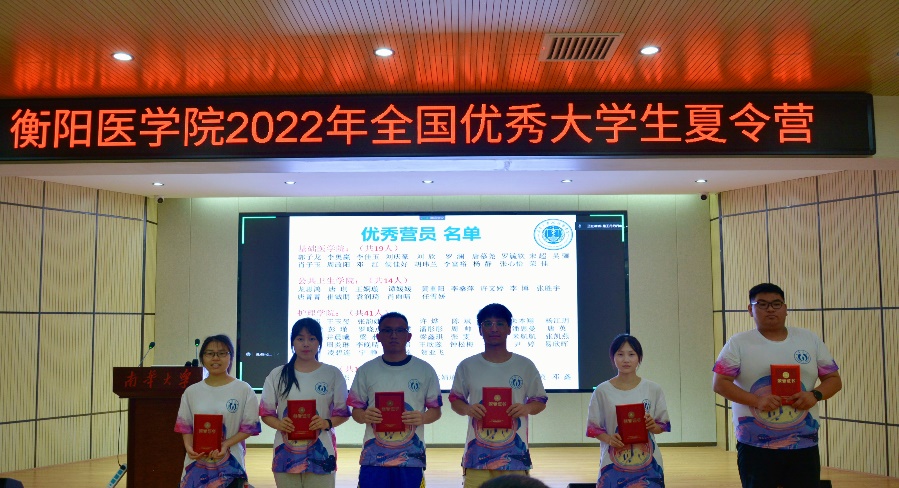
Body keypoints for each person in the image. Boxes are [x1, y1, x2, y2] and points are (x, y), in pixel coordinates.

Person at [713, 283, 842, 488]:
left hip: (803, 441)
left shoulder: (809, 340)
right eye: (762, 304)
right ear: (750, 309)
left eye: (776, 304)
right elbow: (720, 384)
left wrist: (815, 395)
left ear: (785, 308)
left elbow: (834, 380)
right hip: (755, 443)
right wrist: (757, 401)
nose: (770, 309)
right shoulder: (738, 343)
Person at [449, 303, 548, 488]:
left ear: (509, 328)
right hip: (476, 457)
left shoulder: (525, 365)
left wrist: (526, 408)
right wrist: (468, 409)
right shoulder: (467, 365)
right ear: (480, 330)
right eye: (487, 323)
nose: (494, 328)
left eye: (500, 323)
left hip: (515, 457)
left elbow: (540, 401)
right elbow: (455, 400)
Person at [347, 311, 443, 488]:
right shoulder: (366, 370)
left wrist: (423, 417)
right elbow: (356, 412)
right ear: (378, 336)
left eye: (399, 330)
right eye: (387, 330)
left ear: (409, 336)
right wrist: (364, 416)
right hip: (373, 458)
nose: (393, 335)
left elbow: (436, 411)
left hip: (411, 458)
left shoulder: (424, 370)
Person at [259, 318, 351, 487]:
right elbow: (266, 413)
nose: (306, 344)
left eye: (312, 338)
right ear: (293, 342)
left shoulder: (332, 373)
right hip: (286, 453)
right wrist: (279, 424)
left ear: (319, 342)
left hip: (322, 452)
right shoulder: (277, 374)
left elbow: (343, 413)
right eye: (300, 339)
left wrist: (326, 423)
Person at [175, 334, 262, 488]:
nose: (215, 358)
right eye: (210, 353)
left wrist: (226, 444)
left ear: (230, 357)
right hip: (197, 463)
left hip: (231, 464)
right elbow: (185, 426)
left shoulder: (243, 389)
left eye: (222, 353)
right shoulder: (191, 392)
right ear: (203, 357)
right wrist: (188, 447)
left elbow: (250, 427)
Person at [586, 334, 670, 487]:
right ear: (613, 357)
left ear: (639, 357)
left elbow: (662, 426)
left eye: (631, 354)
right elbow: (593, 428)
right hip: (613, 459)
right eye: (620, 354)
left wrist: (653, 426)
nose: (626, 359)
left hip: (648, 461)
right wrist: (609, 439)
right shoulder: (602, 390)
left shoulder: (653, 389)